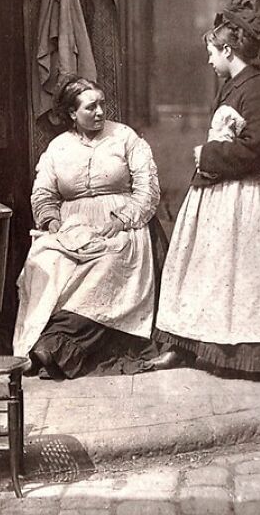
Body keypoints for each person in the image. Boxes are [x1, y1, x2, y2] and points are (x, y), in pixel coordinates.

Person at [153, 0, 260, 379]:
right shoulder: (234, 85)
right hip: (220, 193)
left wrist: (208, 155)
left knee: (245, 274)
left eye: (212, 52)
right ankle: (191, 343)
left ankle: (251, 355)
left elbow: (255, 149)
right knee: (208, 265)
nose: (209, 61)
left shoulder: (258, 93)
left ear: (228, 50)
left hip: (245, 196)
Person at [12, 75, 161, 379]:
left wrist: (121, 220)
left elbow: (148, 190)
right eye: (91, 107)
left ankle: (52, 347)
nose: (100, 112)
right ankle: (32, 347)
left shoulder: (125, 138)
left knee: (107, 263)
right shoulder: (58, 147)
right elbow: (43, 193)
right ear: (71, 114)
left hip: (121, 224)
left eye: (102, 104)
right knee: (44, 262)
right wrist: (52, 220)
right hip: (70, 227)